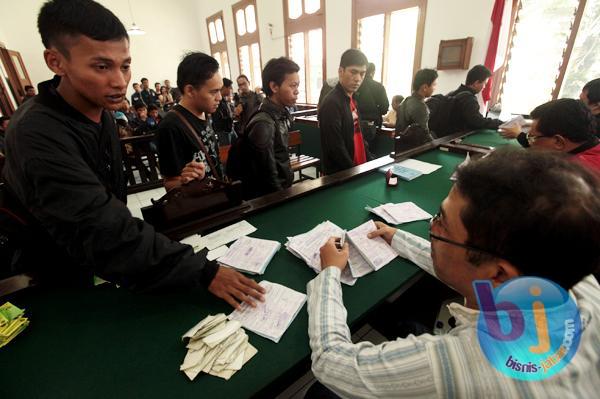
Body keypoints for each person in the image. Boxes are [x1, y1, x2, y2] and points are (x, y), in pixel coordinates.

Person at [2, 0, 264, 308]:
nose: (119, 81)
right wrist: (204, 271)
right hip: (57, 280)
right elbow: (101, 229)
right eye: (101, 66)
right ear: (56, 61)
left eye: (125, 65)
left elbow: (113, 207)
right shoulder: (35, 132)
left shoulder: (101, 110)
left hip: (104, 263)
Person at [307, 148, 600, 398]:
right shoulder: (573, 278)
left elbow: (330, 363)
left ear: (499, 275)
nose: (431, 227)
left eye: (441, 223)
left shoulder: (472, 360)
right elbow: (474, 267)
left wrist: (330, 272)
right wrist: (396, 237)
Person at [232, 57, 299, 199]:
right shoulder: (264, 123)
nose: (297, 91)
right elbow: (268, 176)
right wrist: (282, 199)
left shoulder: (280, 113)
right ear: (274, 86)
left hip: (282, 190)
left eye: (297, 86)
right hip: (270, 198)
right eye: (293, 86)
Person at [157, 52, 224, 191]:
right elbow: (169, 184)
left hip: (217, 196)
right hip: (200, 206)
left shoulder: (204, 112)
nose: (220, 97)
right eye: (213, 92)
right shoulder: (171, 126)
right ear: (190, 90)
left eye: (220, 90)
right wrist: (186, 180)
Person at [318, 49, 369, 175]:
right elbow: (335, 147)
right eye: (353, 72)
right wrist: (352, 172)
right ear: (341, 71)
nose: (358, 78)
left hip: (357, 167)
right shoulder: (332, 103)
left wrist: (369, 160)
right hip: (342, 174)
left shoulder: (352, 99)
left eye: (362, 73)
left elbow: (359, 135)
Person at [524, 99, 600, 173]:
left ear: (558, 142)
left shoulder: (571, 175)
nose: (530, 144)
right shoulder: (595, 144)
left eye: (533, 138)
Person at [447, 64, 503, 132]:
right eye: (485, 83)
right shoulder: (469, 98)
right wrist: (501, 123)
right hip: (452, 137)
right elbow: (477, 122)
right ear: (476, 83)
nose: (484, 87)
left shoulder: (451, 93)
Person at [355, 63, 389, 157]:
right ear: (373, 72)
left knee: (357, 153)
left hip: (354, 123)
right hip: (371, 125)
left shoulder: (356, 84)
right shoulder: (378, 87)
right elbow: (384, 108)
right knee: (370, 153)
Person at [395, 68, 438, 135]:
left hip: (399, 144)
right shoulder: (421, 107)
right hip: (414, 145)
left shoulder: (406, 100)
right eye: (434, 85)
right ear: (425, 87)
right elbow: (424, 136)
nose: (435, 88)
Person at [211, 77, 237, 146]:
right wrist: (231, 117)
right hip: (223, 131)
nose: (231, 90)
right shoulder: (217, 101)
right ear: (224, 87)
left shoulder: (224, 100)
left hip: (230, 128)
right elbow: (217, 118)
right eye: (230, 88)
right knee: (226, 150)